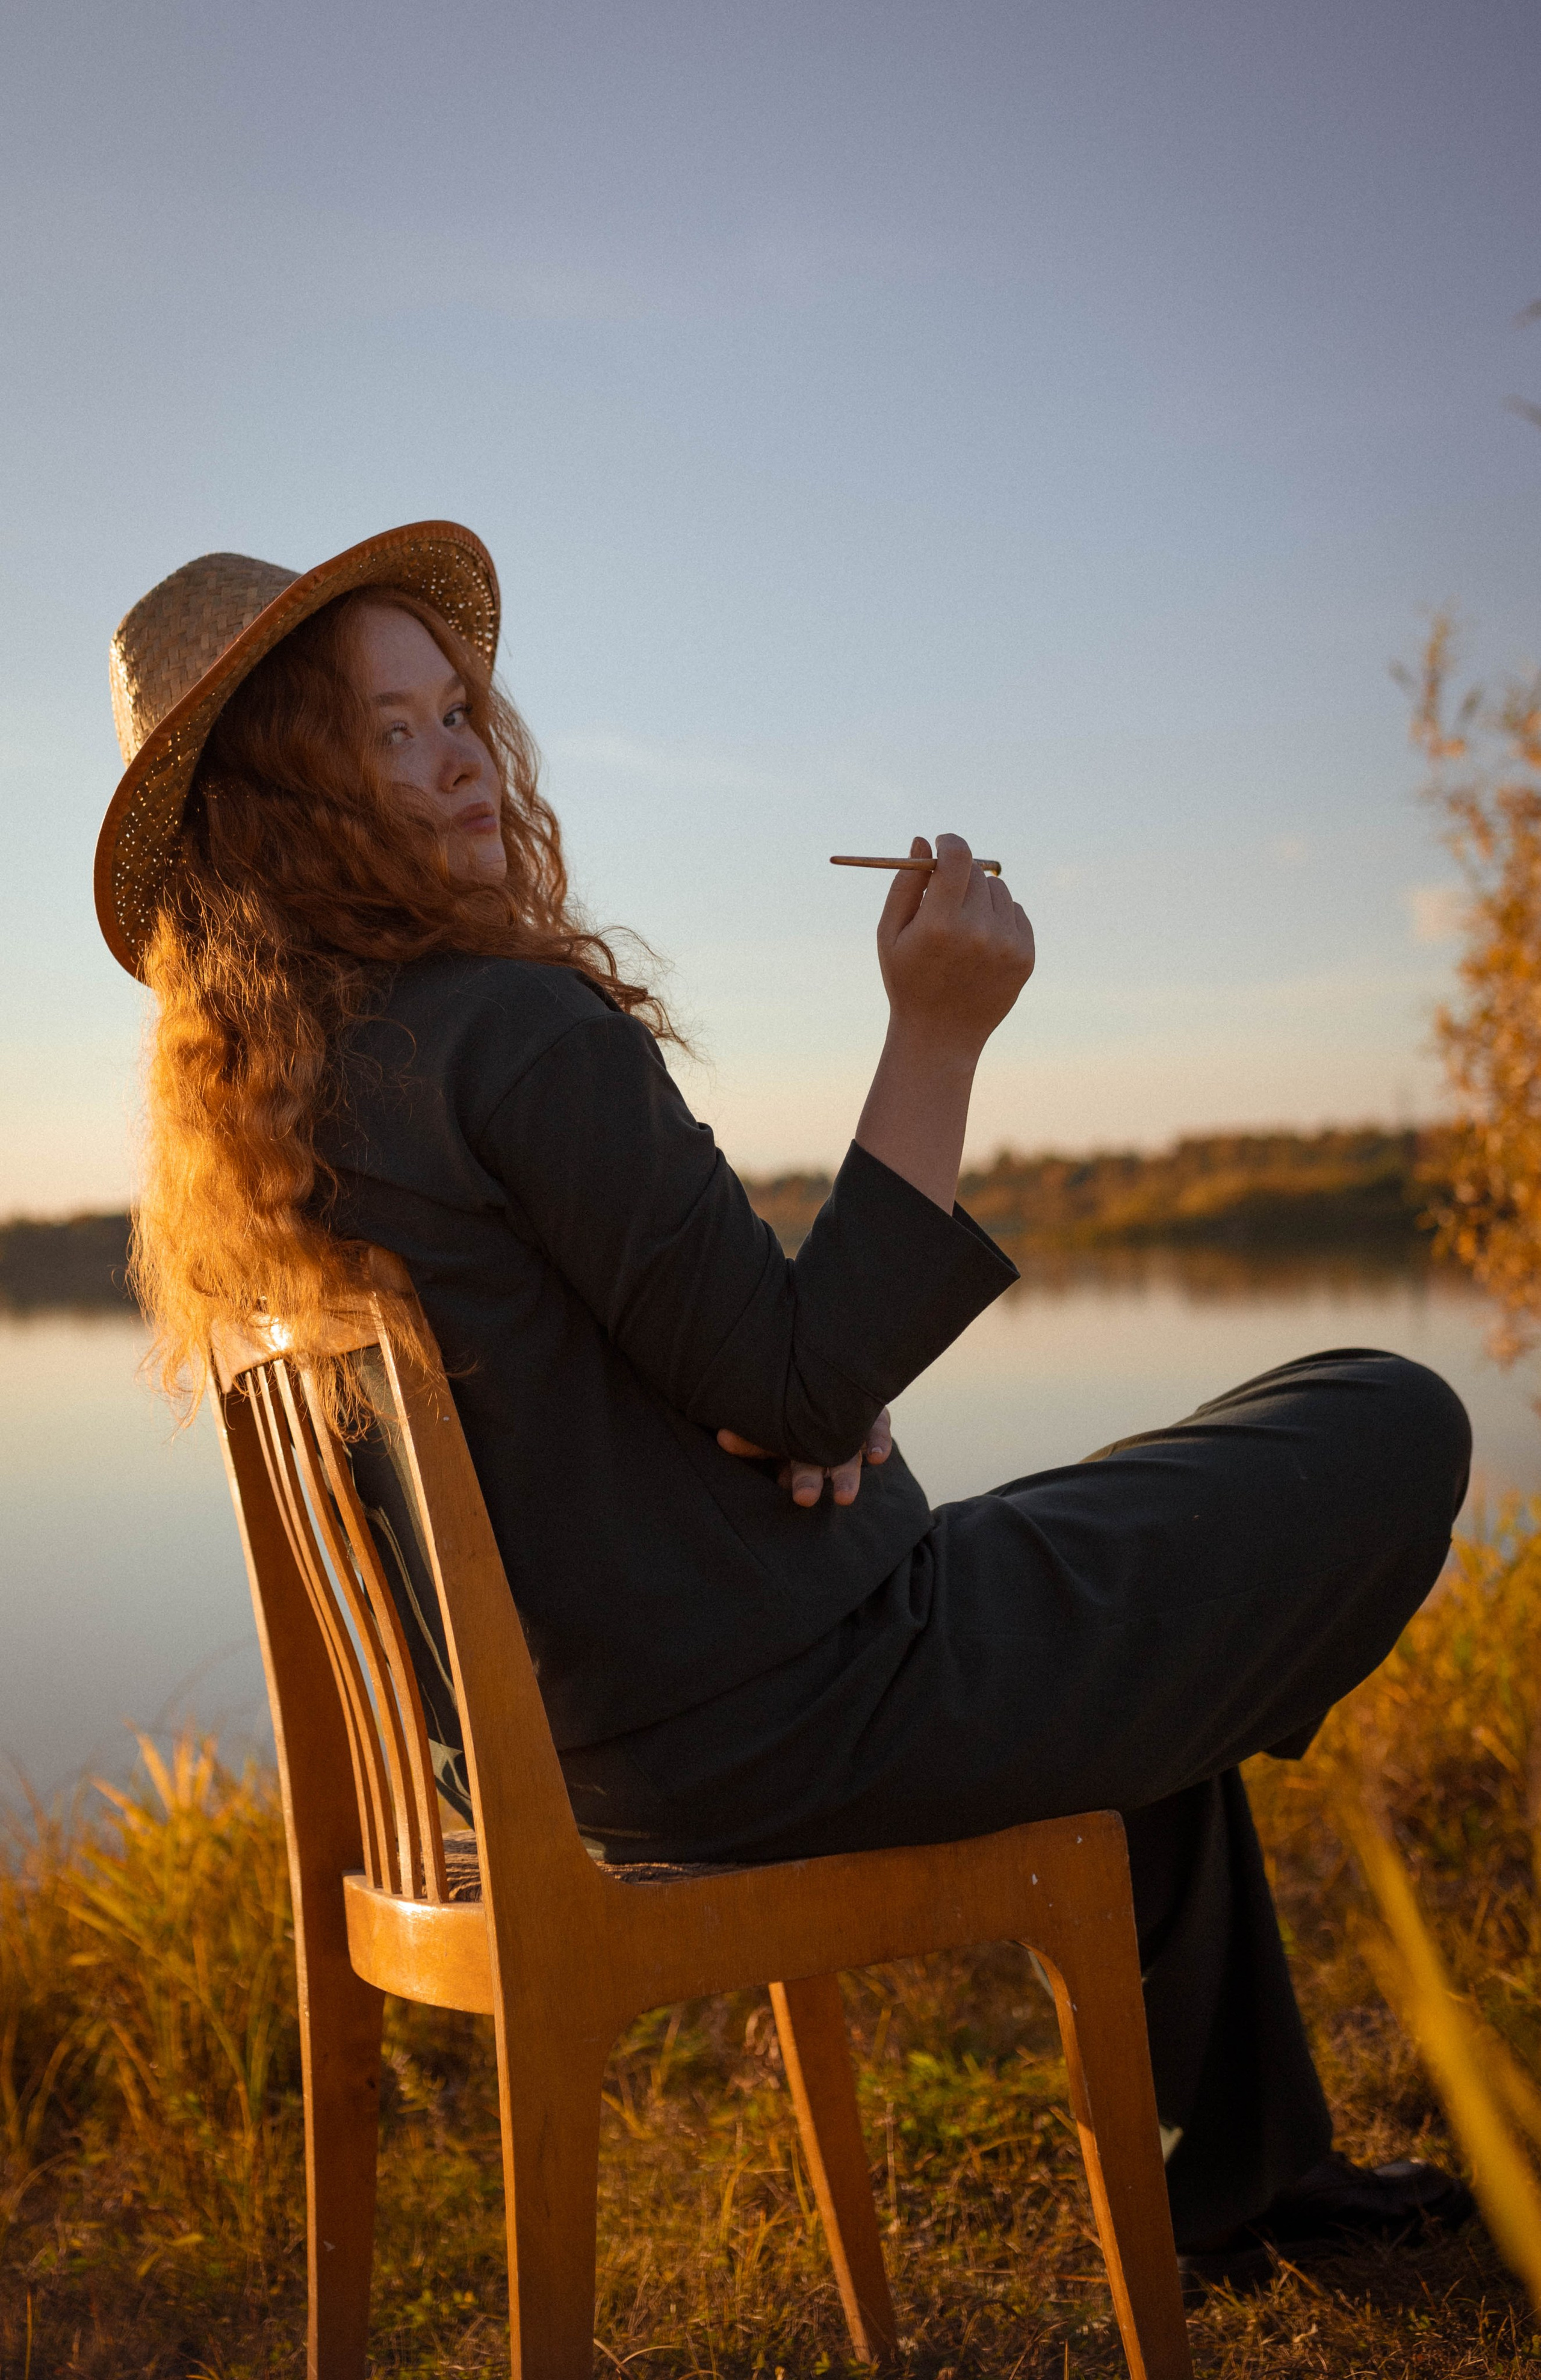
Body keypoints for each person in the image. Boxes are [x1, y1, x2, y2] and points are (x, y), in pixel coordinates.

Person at [98, 521, 1474, 2292]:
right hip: (813, 1706)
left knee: (1144, 1575)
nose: (462, 761)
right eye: (393, 734)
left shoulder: (299, 1108)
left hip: (621, 1752)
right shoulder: (508, 1029)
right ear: (291, 797)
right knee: (1382, 1408)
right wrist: (941, 1028)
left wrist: (781, 1402)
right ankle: (1244, 2176)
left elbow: (706, 1379)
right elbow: (806, 1366)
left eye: (459, 714)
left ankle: (1256, 2177)